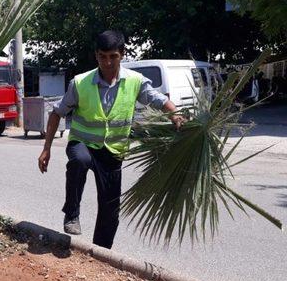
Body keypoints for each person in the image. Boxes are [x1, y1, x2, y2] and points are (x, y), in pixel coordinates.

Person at [38, 31, 184, 249]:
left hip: (113, 152)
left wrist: (174, 113)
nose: (107, 62)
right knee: (79, 161)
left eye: (113, 56)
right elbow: (56, 112)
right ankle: (71, 214)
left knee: (110, 208)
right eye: (102, 56)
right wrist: (46, 148)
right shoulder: (80, 83)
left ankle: (101, 251)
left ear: (122, 54)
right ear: (96, 56)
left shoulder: (135, 81)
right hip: (83, 144)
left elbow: (159, 100)